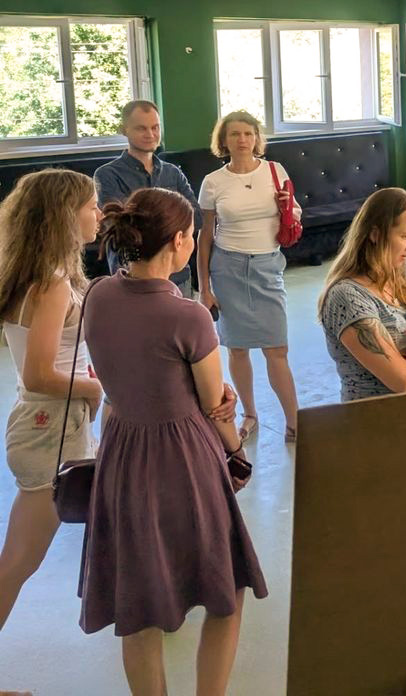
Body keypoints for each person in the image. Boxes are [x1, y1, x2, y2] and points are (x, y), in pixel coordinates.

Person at [80, 188, 266, 696]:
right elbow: (212, 403)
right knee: (226, 592)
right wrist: (235, 446)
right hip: (182, 460)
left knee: (138, 608)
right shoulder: (188, 316)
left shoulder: (98, 295)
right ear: (180, 241)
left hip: (121, 453)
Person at [0, 169, 103, 629]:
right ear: (66, 215)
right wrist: (92, 388)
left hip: (54, 423)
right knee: (19, 562)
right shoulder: (52, 284)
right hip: (50, 428)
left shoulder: (41, 276)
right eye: (91, 207)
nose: (98, 215)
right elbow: (39, 373)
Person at [197, 111, 300, 443]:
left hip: (268, 266)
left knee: (277, 348)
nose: (242, 139)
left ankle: (295, 421)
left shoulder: (275, 170)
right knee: (237, 348)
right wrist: (204, 288)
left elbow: (294, 214)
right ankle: (250, 414)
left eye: (248, 133)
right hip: (227, 268)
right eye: (234, 134)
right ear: (223, 141)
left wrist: (288, 207)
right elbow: (205, 236)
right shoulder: (213, 182)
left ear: (257, 138)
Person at [318, 188, 406, 401]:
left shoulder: (403, 276)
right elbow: (403, 380)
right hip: (381, 417)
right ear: (375, 234)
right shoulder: (347, 297)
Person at [94, 99, 202, 296]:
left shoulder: (173, 172)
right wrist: (173, 219)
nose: (150, 134)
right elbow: (119, 227)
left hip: (178, 277)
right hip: (131, 277)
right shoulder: (107, 175)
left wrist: (146, 219)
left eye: (155, 127)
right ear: (124, 130)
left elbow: (196, 217)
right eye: (141, 128)